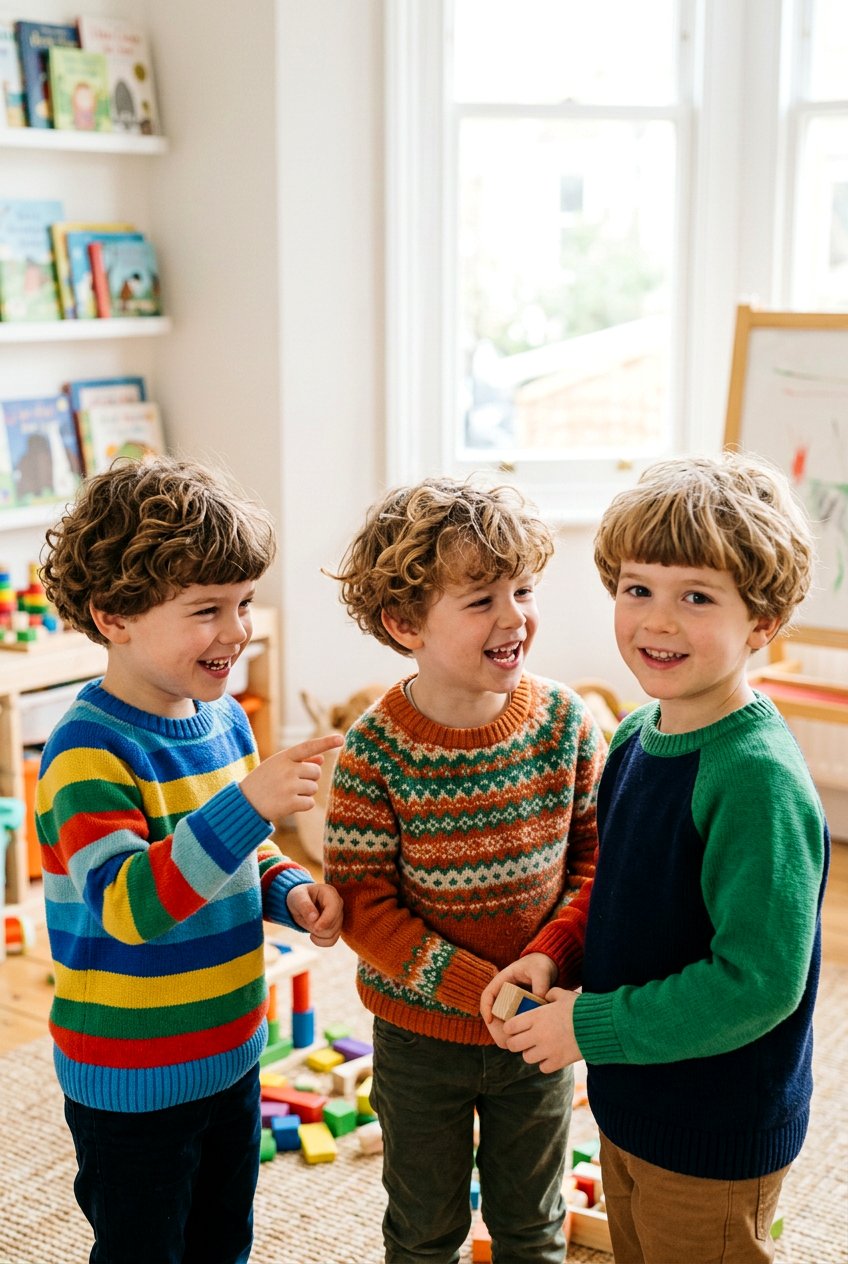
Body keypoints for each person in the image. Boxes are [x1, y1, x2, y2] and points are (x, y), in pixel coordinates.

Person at [482, 451, 831, 1264]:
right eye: (638, 589)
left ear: (764, 623)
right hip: (634, 1092)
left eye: (697, 598)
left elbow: (756, 982)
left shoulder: (754, 780)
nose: (657, 622)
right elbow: (619, 887)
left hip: (716, 1125)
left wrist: (589, 1026)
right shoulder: (640, 735)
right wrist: (554, 954)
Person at [36, 456, 344, 1264]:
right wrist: (251, 806)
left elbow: (246, 855)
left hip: (231, 1048)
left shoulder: (224, 722)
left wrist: (289, 891)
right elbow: (133, 907)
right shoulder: (87, 752)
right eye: (208, 609)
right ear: (114, 615)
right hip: (133, 1077)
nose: (238, 631)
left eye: (242, 603)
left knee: (221, 1241)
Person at [323, 476, 606, 1263]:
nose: (514, 617)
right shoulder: (374, 752)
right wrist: (471, 988)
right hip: (420, 1041)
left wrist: (548, 966)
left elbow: (596, 865)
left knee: (532, 1226)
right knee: (423, 1232)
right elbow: (364, 905)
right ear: (405, 622)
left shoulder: (568, 724)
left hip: (539, 1027)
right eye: (481, 599)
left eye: (522, 589)